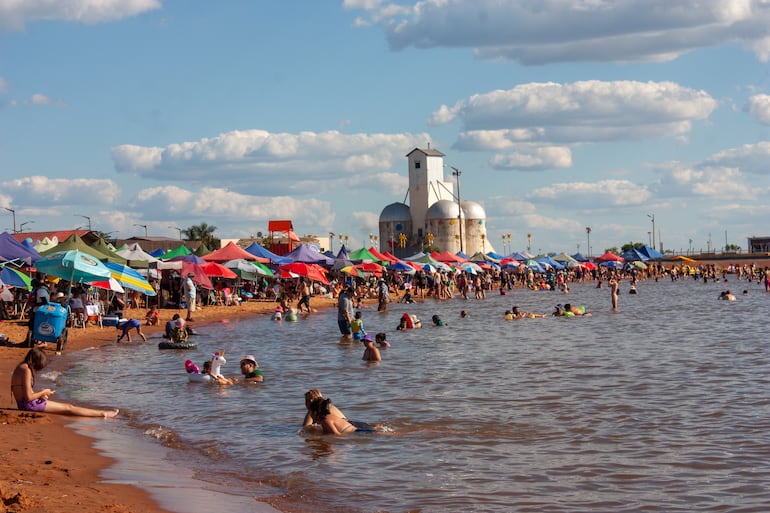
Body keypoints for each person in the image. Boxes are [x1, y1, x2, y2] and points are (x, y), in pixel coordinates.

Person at [11, 348, 119, 417]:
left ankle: (101, 413)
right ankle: (103, 413)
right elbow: (29, 397)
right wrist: (44, 391)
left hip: (25, 404)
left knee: (68, 407)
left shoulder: (21, 367)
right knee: (69, 408)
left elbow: (26, 394)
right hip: (29, 405)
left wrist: (40, 396)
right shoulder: (26, 370)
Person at [308, 397, 374, 435]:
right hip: (359, 428)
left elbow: (336, 435)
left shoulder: (325, 420)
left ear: (315, 412)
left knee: (380, 434)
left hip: (359, 432)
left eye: (310, 412)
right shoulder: (328, 417)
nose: (310, 415)